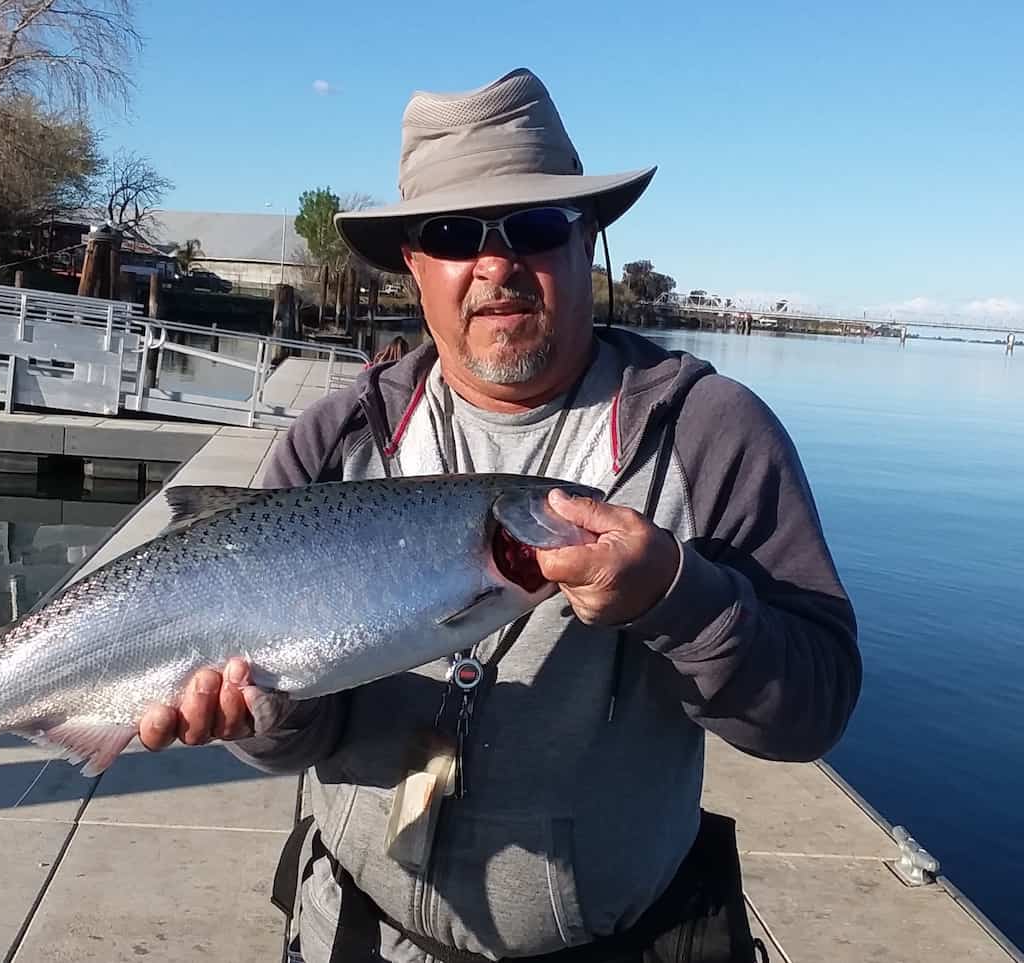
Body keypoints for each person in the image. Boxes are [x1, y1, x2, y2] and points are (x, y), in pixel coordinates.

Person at [139, 68, 861, 962]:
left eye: (535, 224)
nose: (497, 264)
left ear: (585, 237)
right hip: (356, 934)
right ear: (414, 259)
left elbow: (814, 711)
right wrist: (258, 717)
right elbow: (303, 733)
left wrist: (677, 597)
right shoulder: (336, 441)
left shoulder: (712, 434)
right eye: (452, 233)